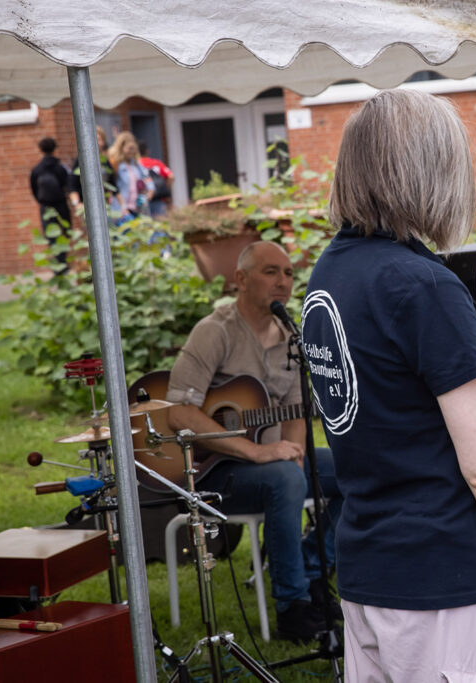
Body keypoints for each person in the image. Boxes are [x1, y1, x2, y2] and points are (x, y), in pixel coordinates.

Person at [300, 89, 476, 682]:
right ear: (432, 170)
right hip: (446, 581)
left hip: (370, 573)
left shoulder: (331, 270)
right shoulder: (424, 286)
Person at [167, 240, 340, 642]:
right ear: (240, 279)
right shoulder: (215, 332)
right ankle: (292, 607)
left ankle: (313, 571)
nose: (283, 282)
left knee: (356, 466)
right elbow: (178, 413)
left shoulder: (290, 338)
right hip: (213, 473)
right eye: (270, 272)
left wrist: (294, 456)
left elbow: (296, 412)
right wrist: (258, 452)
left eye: (289, 274)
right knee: (284, 479)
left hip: (274, 464)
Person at [29, 137, 71, 269]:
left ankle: (56, 265)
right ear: (55, 149)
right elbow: (67, 185)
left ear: (40, 150)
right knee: (64, 233)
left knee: (51, 236)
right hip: (61, 205)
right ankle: (63, 262)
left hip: (46, 206)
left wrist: (42, 201)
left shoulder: (37, 170)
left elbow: (34, 189)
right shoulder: (60, 168)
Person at [67, 125, 117, 214]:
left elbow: (113, 184)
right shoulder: (81, 160)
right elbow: (72, 184)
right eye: (95, 140)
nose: (98, 143)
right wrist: (77, 204)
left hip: (105, 206)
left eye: (100, 140)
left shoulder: (105, 160)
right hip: (87, 206)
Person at [107, 131, 155, 222]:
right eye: (129, 148)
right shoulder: (115, 165)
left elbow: (148, 181)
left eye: (134, 149)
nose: (132, 152)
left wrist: (148, 195)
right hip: (121, 209)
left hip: (137, 208)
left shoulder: (137, 165)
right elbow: (112, 186)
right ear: (121, 148)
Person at [137, 140, 174, 216]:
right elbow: (171, 176)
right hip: (159, 199)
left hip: (143, 200)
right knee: (161, 223)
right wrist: (166, 191)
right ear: (147, 151)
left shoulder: (137, 165)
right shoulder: (156, 163)